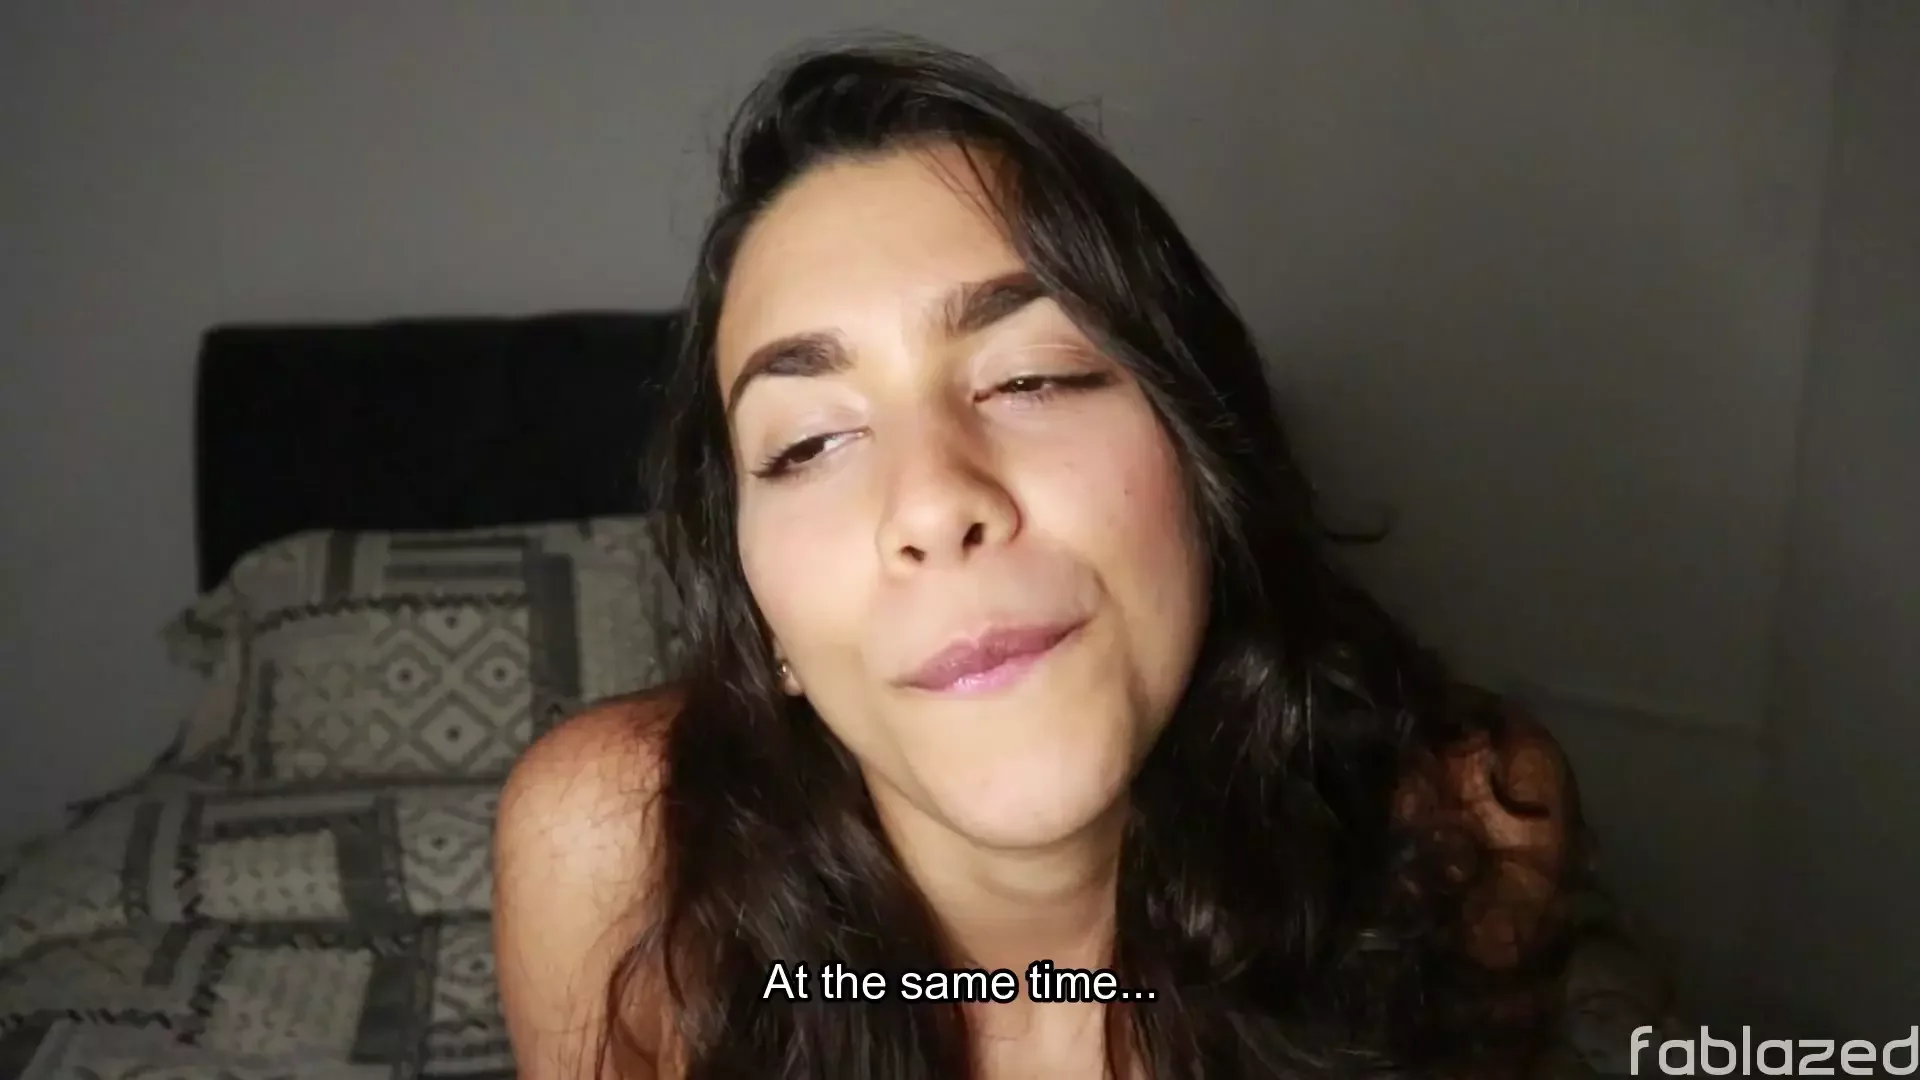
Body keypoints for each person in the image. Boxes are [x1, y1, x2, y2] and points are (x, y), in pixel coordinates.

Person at [493, 37, 1580, 1080]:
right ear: (763, 622)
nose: (933, 503)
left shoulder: (1468, 822)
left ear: (1205, 464)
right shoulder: (615, 854)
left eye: (1032, 378)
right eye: (809, 443)